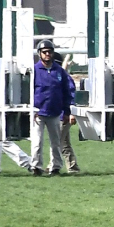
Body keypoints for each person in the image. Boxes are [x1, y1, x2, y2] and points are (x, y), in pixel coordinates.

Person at [30, 39, 73, 176]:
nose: (47, 54)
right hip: (38, 113)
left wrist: (66, 111)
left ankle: (56, 166)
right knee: (37, 141)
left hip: (55, 112)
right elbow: (28, 91)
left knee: (56, 143)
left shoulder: (59, 71)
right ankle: (36, 166)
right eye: (45, 52)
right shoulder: (34, 71)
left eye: (50, 52)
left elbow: (66, 91)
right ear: (39, 54)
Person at [52, 51, 81, 173]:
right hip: (59, 114)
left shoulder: (64, 77)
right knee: (64, 142)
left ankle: (52, 165)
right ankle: (73, 167)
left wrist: (72, 113)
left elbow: (71, 96)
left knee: (57, 142)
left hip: (65, 115)